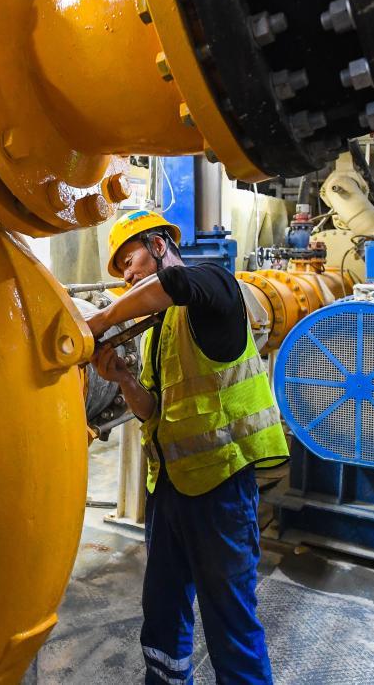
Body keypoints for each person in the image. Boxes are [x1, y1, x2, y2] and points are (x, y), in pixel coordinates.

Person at [87, 209, 288, 685]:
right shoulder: (158, 330)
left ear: (159, 245)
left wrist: (99, 320)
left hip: (220, 488)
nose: (127, 277)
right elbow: (151, 411)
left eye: (130, 261)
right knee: (162, 611)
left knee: (229, 621)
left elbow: (177, 283)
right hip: (169, 490)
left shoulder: (214, 285)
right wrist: (123, 379)